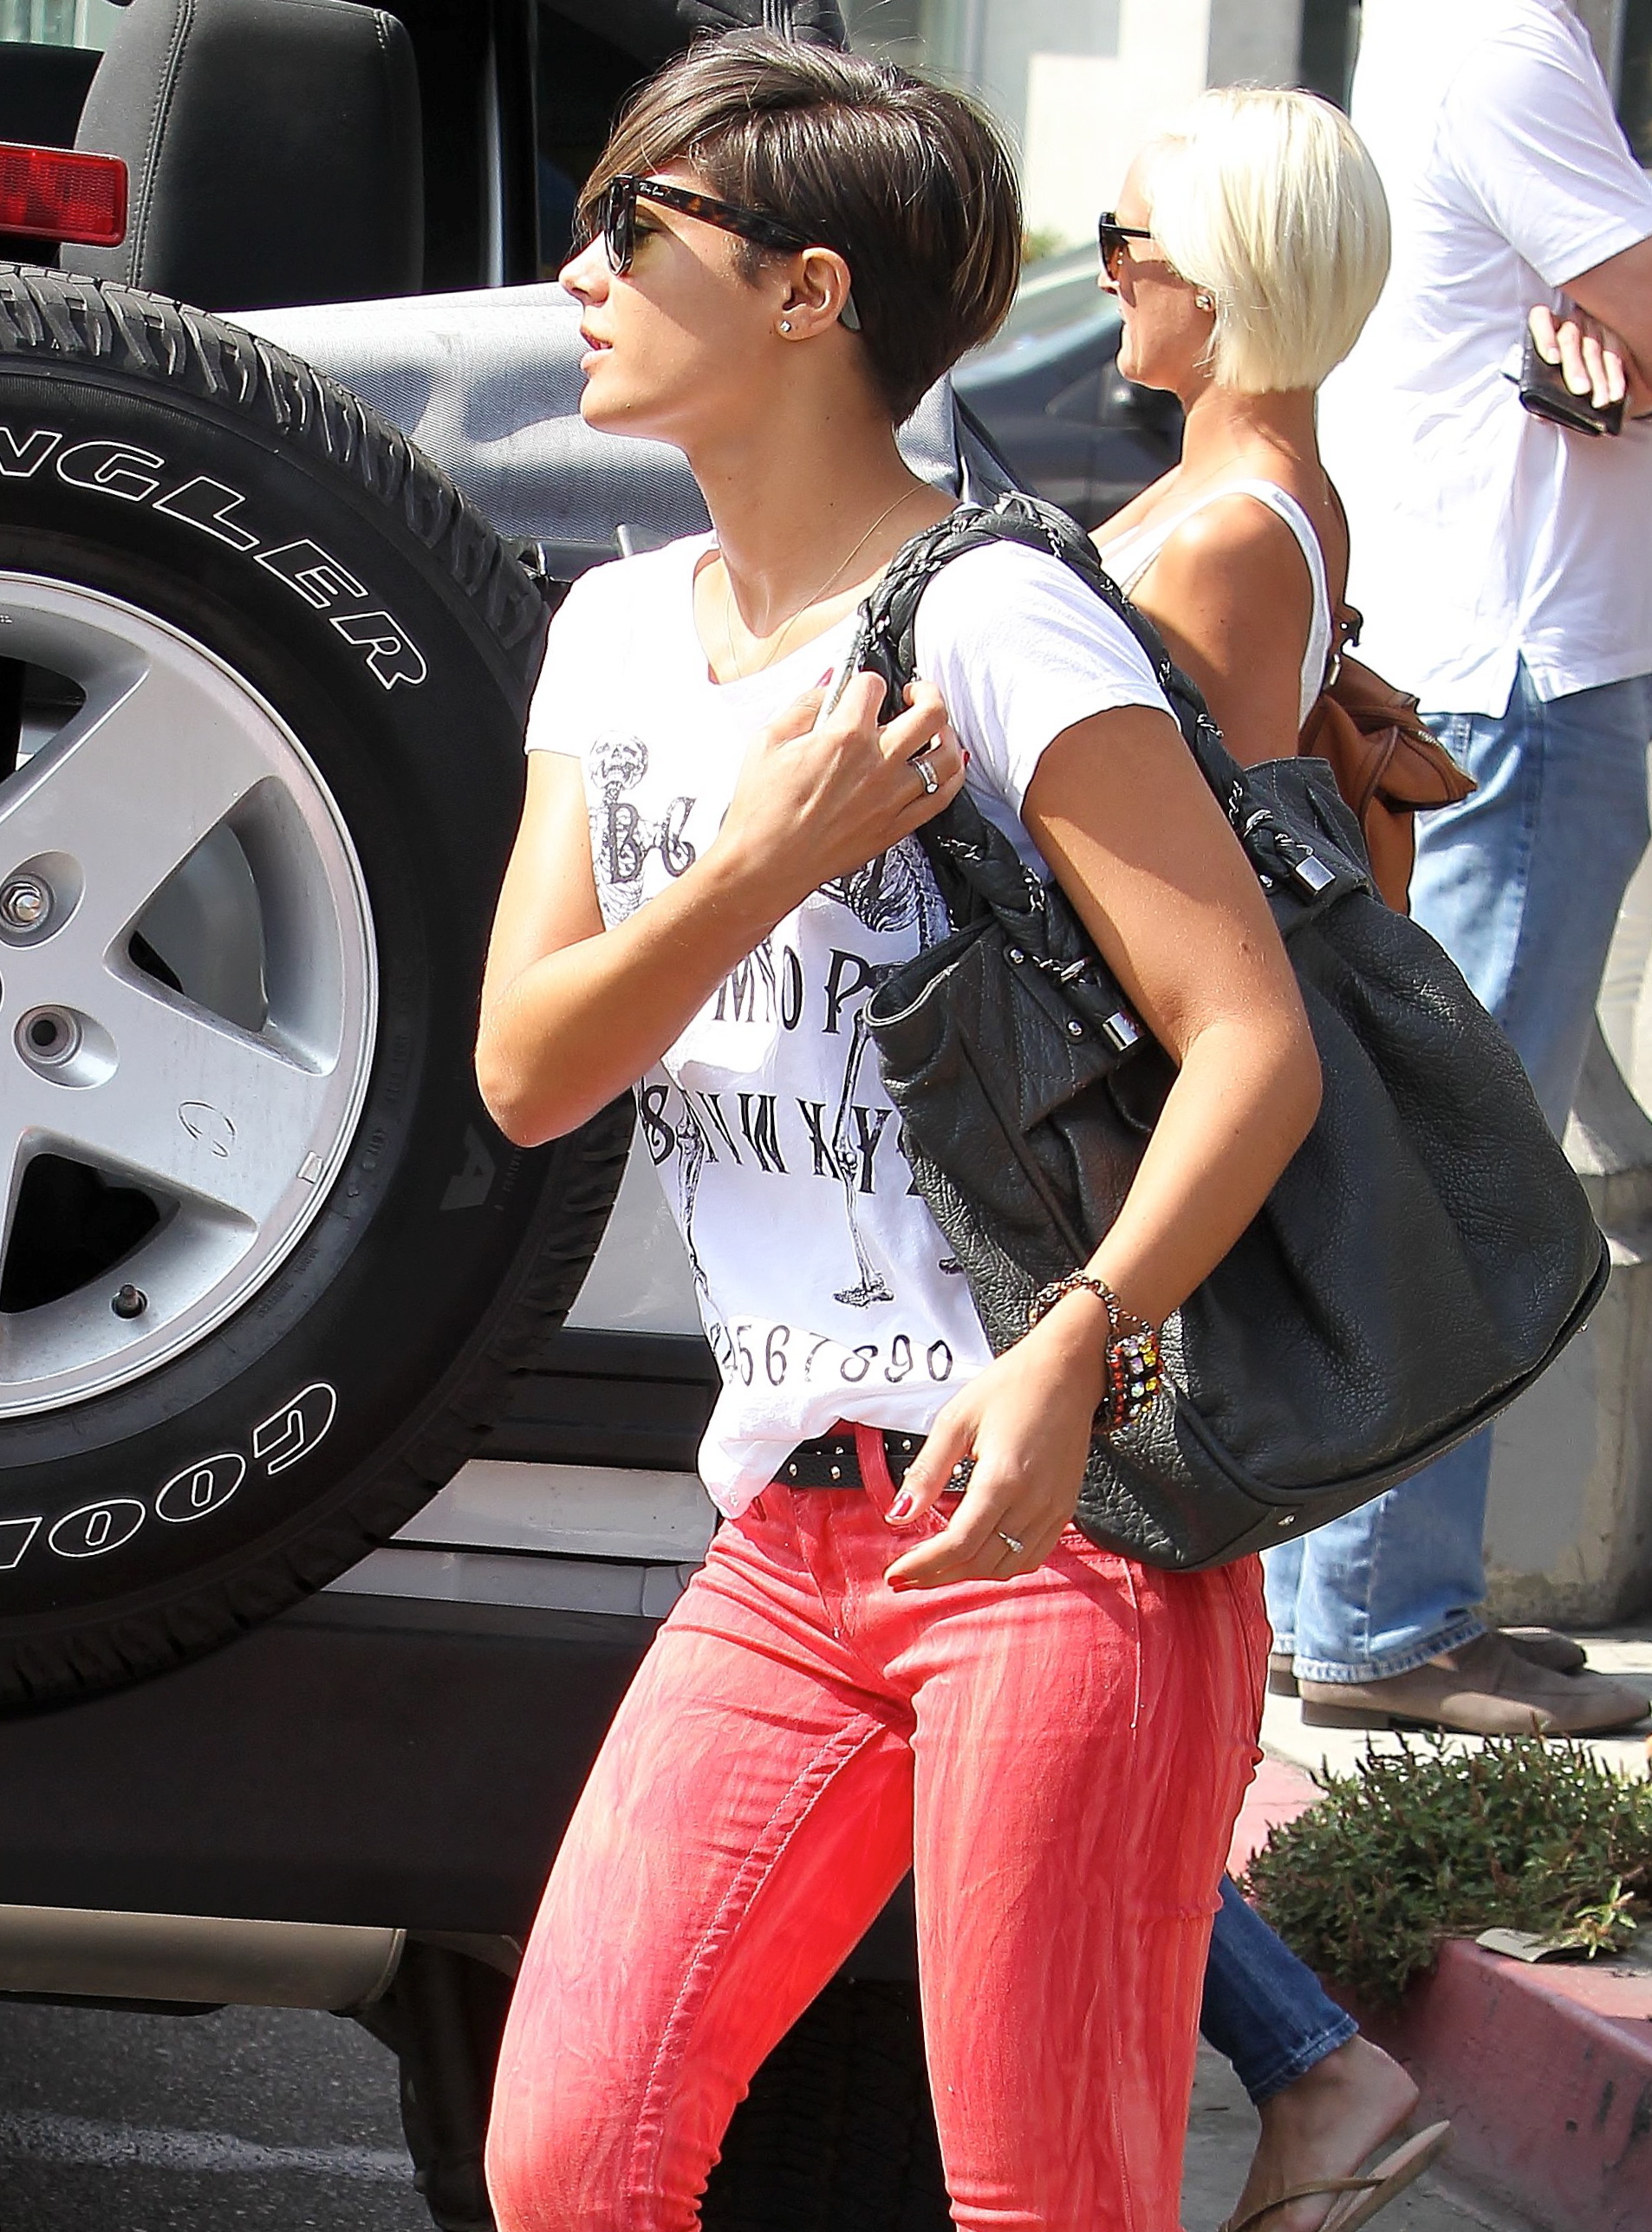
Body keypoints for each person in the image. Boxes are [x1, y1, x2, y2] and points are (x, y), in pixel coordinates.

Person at [473, 32, 1324, 2232]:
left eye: (630, 226)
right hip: (783, 1531)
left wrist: (1077, 1344)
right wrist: (758, 864)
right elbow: (530, 1067)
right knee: (570, 2156)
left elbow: (1251, 1042)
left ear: (806, 292)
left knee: (1045, 2201)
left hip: (1062, 1522)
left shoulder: (995, 614)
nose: (576, 274)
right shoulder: (609, 638)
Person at [1092, 88, 1446, 2232]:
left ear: (1220, 272)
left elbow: (1195, 916)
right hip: (1155, 1171)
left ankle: (1312, 2066)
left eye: (1126, 240)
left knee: (1070, 1663)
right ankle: (1296, 2070)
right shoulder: (1256, 494)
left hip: (1145, 1177)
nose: (1105, 275)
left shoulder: (1231, 530)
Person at [1295, 0, 1652, 1737]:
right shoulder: (1509, 38)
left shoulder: (1453, 29)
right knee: (1466, 1161)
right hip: (1520, 677)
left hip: (1479, 664)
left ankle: (1344, 1597)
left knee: (1424, 1147)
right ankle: (1382, 1616)